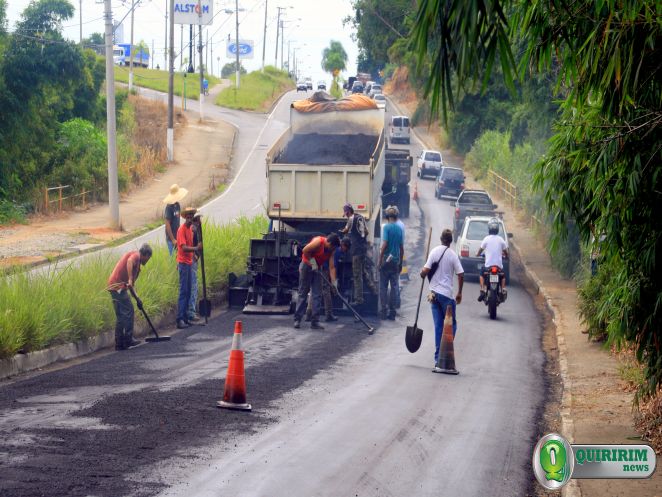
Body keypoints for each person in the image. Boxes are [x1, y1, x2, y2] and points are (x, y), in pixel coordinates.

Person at [420, 229, 464, 366]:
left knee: (439, 327)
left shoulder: (434, 252)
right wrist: (459, 293)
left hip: (433, 295)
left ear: (441, 239)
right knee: (451, 326)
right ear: (450, 241)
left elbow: (424, 272)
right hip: (446, 296)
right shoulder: (452, 255)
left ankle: (438, 358)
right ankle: (446, 350)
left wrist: (422, 272)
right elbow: (461, 274)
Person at [107, 244, 153, 350]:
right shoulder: (136, 256)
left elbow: (131, 286)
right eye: (148, 258)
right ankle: (128, 339)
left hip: (114, 286)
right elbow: (129, 262)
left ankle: (119, 343)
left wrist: (137, 299)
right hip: (117, 287)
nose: (148, 260)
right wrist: (130, 279)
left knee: (121, 316)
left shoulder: (137, 265)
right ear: (145, 255)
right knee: (129, 310)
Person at [293, 233, 341, 330]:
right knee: (303, 293)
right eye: (334, 248)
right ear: (330, 243)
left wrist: (334, 283)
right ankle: (297, 319)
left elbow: (332, 267)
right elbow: (305, 250)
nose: (334, 250)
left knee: (317, 294)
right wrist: (313, 264)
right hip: (306, 266)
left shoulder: (331, 250)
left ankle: (315, 322)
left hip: (318, 268)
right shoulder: (318, 242)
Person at [306, 237, 351, 322]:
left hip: (319, 266)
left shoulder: (335, 248)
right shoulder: (337, 250)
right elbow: (332, 266)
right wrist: (334, 283)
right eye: (347, 248)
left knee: (314, 290)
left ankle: (309, 313)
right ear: (343, 245)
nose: (346, 251)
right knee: (326, 290)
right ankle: (328, 314)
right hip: (323, 268)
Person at [341, 203, 377, 305]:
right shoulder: (359, 217)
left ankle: (359, 300)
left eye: (346, 213)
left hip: (357, 251)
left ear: (348, 211)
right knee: (362, 272)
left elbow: (363, 232)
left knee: (357, 275)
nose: (346, 216)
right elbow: (364, 232)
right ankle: (373, 289)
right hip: (361, 250)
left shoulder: (353, 219)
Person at [176, 207, 202, 329]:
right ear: (185, 217)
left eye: (192, 215)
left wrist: (195, 255)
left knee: (189, 290)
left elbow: (191, 245)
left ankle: (186, 317)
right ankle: (180, 318)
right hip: (183, 263)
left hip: (189, 262)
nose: (190, 218)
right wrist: (196, 249)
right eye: (188, 216)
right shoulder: (181, 230)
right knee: (184, 292)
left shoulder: (190, 230)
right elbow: (184, 247)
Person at [378, 207, 404, 320]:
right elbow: (402, 248)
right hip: (395, 262)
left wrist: (379, 259)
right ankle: (392, 312)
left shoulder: (386, 227)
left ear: (387, 217)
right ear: (396, 216)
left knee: (383, 287)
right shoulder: (399, 229)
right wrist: (400, 263)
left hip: (385, 261)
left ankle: (384, 311)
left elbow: (384, 244)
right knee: (394, 287)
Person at [476, 218, 508, 302]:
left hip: (488, 267)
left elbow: (480, 250)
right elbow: (505, 252)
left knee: (481, 274)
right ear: (497, 229)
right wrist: (506, 256)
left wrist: (477, 254)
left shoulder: (486, 239)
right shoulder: (501, 240)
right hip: (498, 267)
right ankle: (503, 289)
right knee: (503, 275)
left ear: (489, 228)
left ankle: (482, 289)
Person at [163, 184, 188, 256]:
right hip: (171, 239)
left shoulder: (177, 205)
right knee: (173, 257)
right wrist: (173, 239)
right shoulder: (169, 207)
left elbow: (178, 221)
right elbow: (167, 224)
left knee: (179, 257)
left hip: (178, 237)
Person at [187, 213, 203, 323]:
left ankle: (190, 311)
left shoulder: (197, 229)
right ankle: (191, 312)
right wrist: (196, 255)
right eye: (198, 219)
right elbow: (191, 245)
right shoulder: (193, 229)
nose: (200, 221)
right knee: (193, 286)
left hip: (193, 259)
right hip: (191, 259)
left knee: (193, 285)